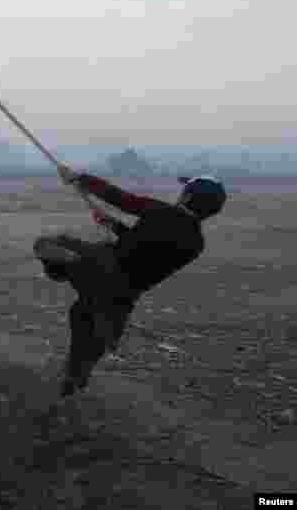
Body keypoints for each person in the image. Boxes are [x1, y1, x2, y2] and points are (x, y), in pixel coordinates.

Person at [34, 166, 227, 397]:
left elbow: (120, 198)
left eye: (184, 189)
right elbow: (147, 253)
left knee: (47, 245)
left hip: (102, 269)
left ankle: (69, 266)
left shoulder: (160, 211)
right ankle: (73, 381)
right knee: (86, 331)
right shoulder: (196, 243)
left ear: (187, 196)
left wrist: (81, 178)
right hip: (124, 295)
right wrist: (112, 225)